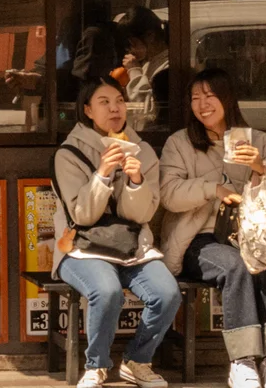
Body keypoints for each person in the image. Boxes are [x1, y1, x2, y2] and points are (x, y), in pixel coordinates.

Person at [159, 68, 266, 388]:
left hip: (250, 235)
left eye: (210, 96)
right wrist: (213, 189)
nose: (202, 104)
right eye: (196, 98)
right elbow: (168, 194)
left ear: (228, 98)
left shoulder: (256, 140)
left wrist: (260, 166)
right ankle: (242, 361)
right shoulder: (179, 143)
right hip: (198, 238)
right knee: (237, 266)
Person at [52, 78, 178, 388]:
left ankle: (137, 360)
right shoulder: (68, 153)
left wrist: (135, 181)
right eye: (104, 102)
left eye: (120, 101)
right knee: (107, 292)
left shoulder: (143, 151)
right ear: (87, 110)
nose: (114, 109)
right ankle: (96, 365)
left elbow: (142, 215)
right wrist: (102, 174)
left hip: (132, 248)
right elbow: (82, 215)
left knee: (167, 294)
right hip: (82, 248)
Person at [120, 7, 169, 130]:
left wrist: (134, 71)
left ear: (150, 36)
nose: (130, 50)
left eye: (133, 44)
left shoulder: (167, 68)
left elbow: (147, 112)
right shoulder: (148, 63)